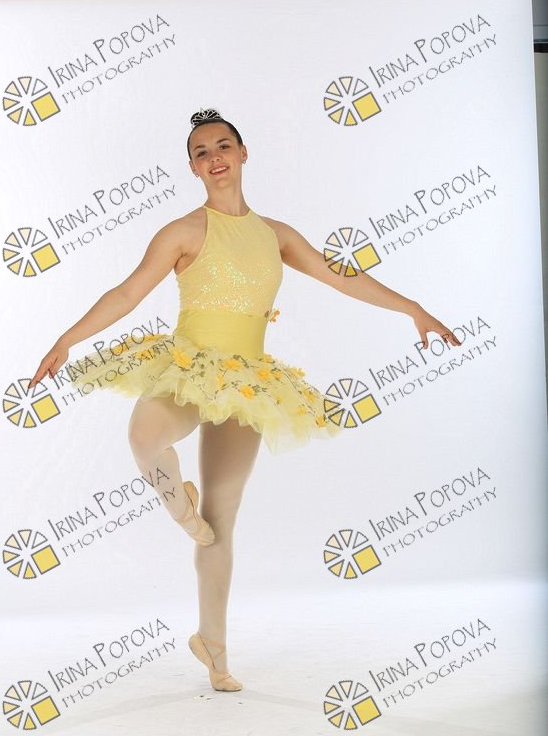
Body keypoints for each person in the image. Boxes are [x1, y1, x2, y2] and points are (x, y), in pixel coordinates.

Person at [29, 108, 461, 693]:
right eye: (202, 152)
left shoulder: (276, 235)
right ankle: (178, 505)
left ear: (242, 153)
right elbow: (127, 292)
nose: (214, 157)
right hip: (189, 367)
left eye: (223, 146)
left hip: (248, 382)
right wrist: (68, 339)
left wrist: (413, 309)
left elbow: (341, 276)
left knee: (221, 521)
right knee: (145, 436)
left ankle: (213, 646)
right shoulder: (183, 231)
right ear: (193, 168)